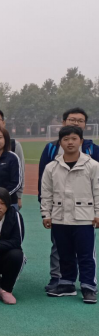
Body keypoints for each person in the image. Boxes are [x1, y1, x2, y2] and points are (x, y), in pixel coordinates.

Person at [37, 108, 99, 292]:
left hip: (84, 213)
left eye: (80, 120)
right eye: (72, 119)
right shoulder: (51, 153)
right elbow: (45, 185)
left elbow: (97, 187)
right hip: (59, 212)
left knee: (86, 251)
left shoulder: (93, 154)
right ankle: (61, 280)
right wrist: (46, 212)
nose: (70, 142)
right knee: (61, 249)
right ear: (64, 122)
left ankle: (88, 284)